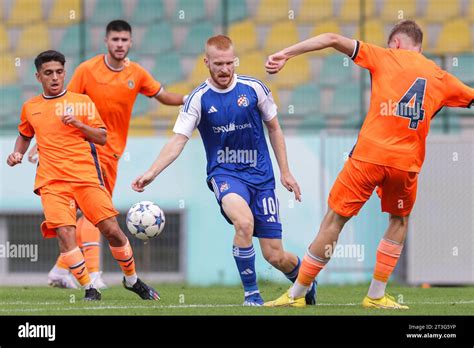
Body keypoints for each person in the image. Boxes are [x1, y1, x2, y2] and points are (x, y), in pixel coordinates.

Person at [264, 20, 474, 309]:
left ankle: (296, 294)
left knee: (335, 220)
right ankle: (375, 295)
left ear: (395, 43)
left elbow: (331, 37)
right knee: (398, 221)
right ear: (420, 47)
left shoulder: (384, 56)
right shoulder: (440, 76)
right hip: (405, 164)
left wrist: (286, 53)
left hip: (368, 157)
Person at [131, 35, 317, 306]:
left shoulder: (255, 89)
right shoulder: (198, 99)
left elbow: (274, 128)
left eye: (230, 63)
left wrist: (285, 172)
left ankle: (306, 281)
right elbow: (178, 140)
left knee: (275, 256)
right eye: (218, 63)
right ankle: (252, 295)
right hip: (225, 174)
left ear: (235, 61)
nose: (225, 69)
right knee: (243, 223)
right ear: (206, 62)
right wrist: (152, 171)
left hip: (262, 177)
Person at [29, 20, 186, 289]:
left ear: (131, 43)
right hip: (87, 151)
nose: (120, 44)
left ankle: (59, 270)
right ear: (106, 41)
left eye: (124, 40)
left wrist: (196, 97)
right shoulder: (87, 70)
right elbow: (60, 105)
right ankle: (94, 273)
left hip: (111, 152)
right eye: (115, 40)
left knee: (84, 215)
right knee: (96, 216)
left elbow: (164, 96)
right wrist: (38, 144)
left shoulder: (137, 74)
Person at [7, 50, 160, 301]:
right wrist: (16, 154)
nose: (55, 77)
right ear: (38, 76)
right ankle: (90, 288)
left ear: (64, 73)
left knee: (111, 230)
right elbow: (25, 135)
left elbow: (101, 137)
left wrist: (78, 124)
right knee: (65, 233)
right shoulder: (31, 107)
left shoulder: (82, 102)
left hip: (85, 177)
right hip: (52, 182)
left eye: (59, 72)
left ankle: (132, 280)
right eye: (48, 73)